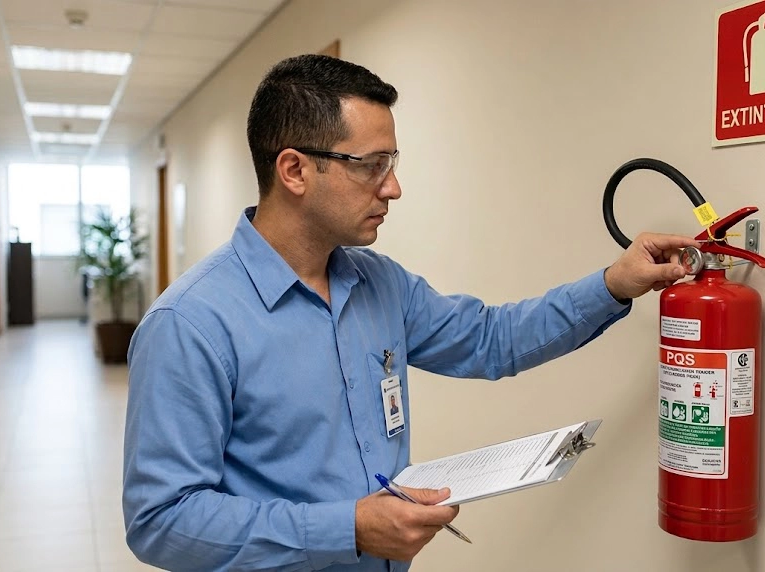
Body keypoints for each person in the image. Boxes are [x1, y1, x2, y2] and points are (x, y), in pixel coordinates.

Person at [122, 54, 696, 572]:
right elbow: (162, 522)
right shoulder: (191, 325)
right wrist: (346, 529)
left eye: (391, 162)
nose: (393, 187)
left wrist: (614, 286)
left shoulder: (379, 283)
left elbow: (490, 340)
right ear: (293, 170)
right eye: (370, 165)